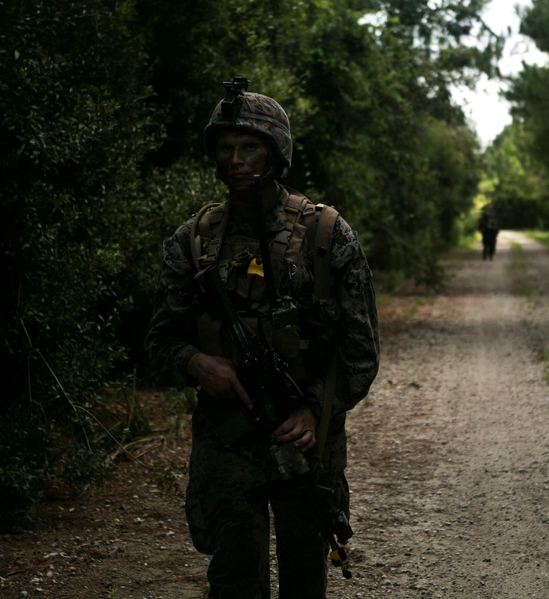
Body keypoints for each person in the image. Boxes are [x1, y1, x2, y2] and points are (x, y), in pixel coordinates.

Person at [145, 78, 380, 598]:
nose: (236, 159)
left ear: (276, 153)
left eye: (249, 146)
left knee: (304, 576)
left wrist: (312, 409)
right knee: (232, 579)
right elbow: (159, 342)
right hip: (225, 441)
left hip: (304, 438)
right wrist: (196, 364)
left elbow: (360, 354)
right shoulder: (194, 240)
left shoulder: (326, 235)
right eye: (225, 148)